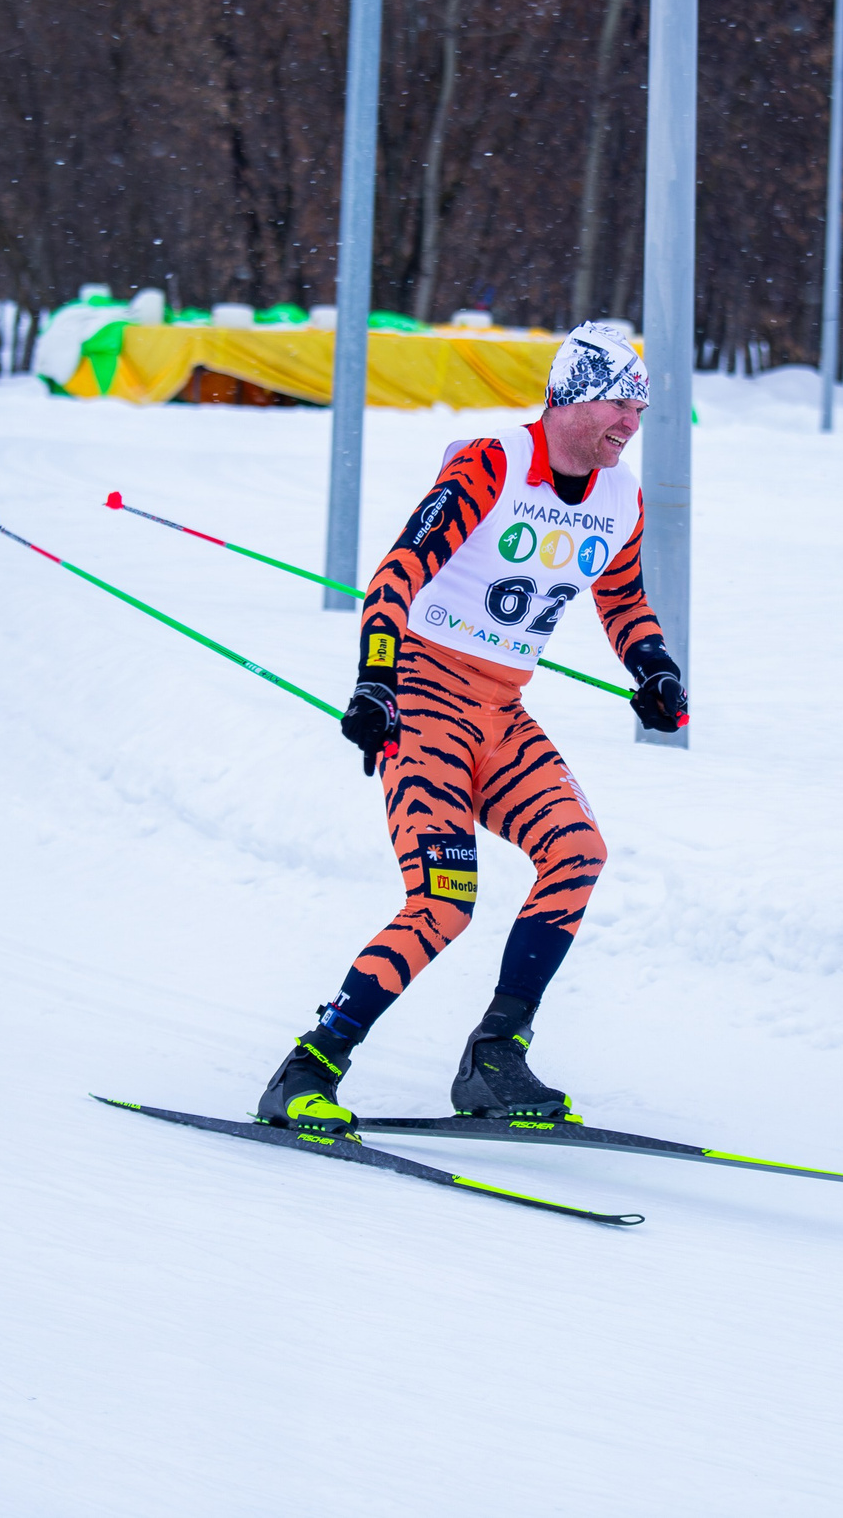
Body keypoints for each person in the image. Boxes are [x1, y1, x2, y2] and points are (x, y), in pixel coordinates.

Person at [255, 321, 688, 1132]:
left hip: (501, 710)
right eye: (618, 405)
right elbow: (397, 573)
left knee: (578, 851)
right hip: (423, 697)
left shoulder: (619, 495)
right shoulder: (494, 465)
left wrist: (654, 667)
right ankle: (309, 1065)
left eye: (641, 410)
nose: (631, 424)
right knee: (445, 898)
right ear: (570, 396)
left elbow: (621, 598)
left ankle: (495, 1056)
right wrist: (375, 680)